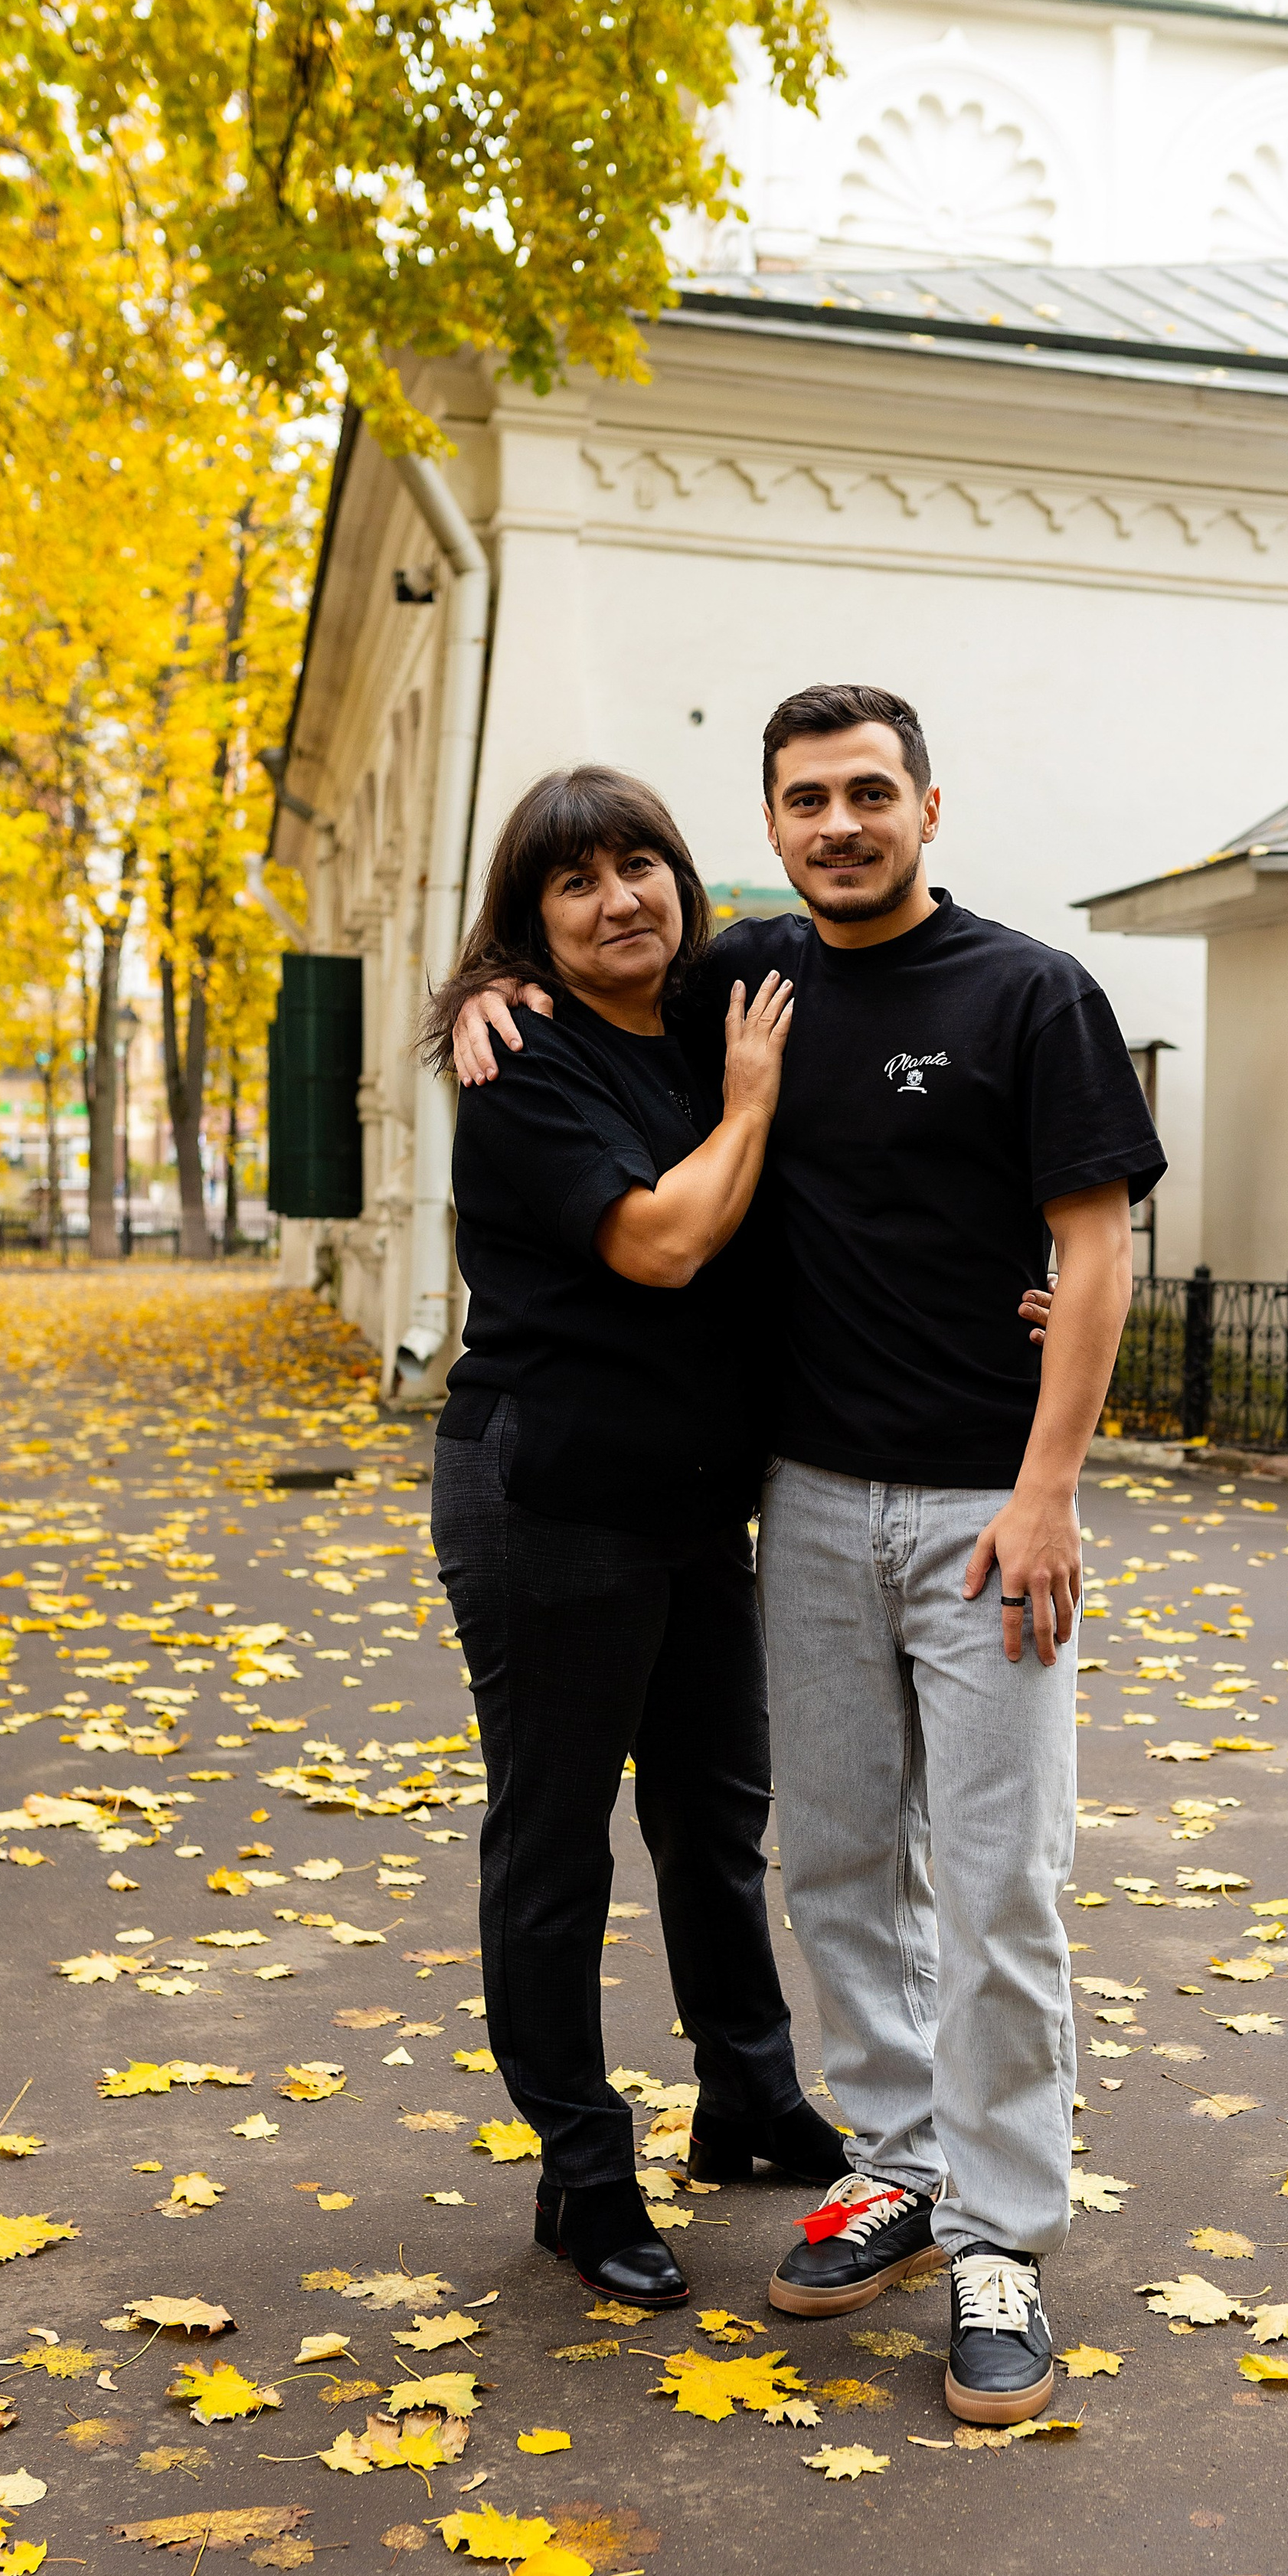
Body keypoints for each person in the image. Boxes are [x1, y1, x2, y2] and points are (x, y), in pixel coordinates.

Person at [456, 685, 1165, 2424]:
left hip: (988, 1510)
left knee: (997, 1880)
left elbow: (1095, 1249)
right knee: (837, 1861)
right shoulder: (739, 985)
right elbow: (579, 998)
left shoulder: (1026, 992)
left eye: (867, 795)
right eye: (803, 801)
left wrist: (1050, 1484)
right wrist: (485, 993)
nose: (836, 825)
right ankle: (902, 2160)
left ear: (929, 806)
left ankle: (999, 2238)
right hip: (803, 1502)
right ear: (768, 829)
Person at [418, 764, 845, 2313]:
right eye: (576, 881)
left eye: (640, 864)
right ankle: (580, 2170)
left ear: (684, 875)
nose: (620, 899)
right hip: (549, 1496)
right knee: (553, 1844)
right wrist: (744, 1111)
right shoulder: (525, 1059)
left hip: (686, 1500)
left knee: (713, 1819)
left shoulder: (698, 1009)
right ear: (529, 924)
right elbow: (662, 1241)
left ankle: (745, 2102)